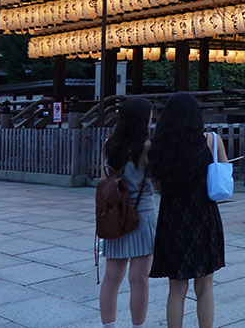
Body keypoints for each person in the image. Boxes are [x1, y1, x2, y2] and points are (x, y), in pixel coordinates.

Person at [149, 92, 227, 328]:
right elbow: (224, 173)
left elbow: (157, 185)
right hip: (204, 216)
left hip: (172, 218)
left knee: (176, 287)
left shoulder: (157, 146)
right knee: (204, 285)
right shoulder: (212, 141)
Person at [100, 97, 158, 328]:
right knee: (139, 279)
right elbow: (156, 182)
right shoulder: (147, 148)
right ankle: (138, 326)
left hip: (115, 216)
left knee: (111, 278)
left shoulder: (109, 146)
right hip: (142, 214)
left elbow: (105, 181)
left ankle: (109, 325)